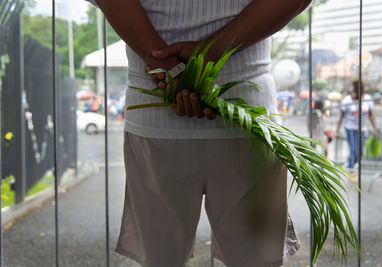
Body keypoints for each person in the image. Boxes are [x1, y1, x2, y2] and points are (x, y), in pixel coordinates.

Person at [87, 0, 310, 266]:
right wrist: (212, 52)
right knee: (256, 260)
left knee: (162, 260)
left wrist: (170, 67)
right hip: (246, 110)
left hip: (156, 111)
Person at [336, 80, 378, 178]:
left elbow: (370, 115)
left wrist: (374, 128)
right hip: (350, 128)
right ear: (355, 91)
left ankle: (350, 164)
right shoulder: (347, 100)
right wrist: (337, 131)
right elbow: (341, 116)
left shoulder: (367, 99)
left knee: (360, 153)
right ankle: (351, 170)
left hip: (362, 129)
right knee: (354, 150)